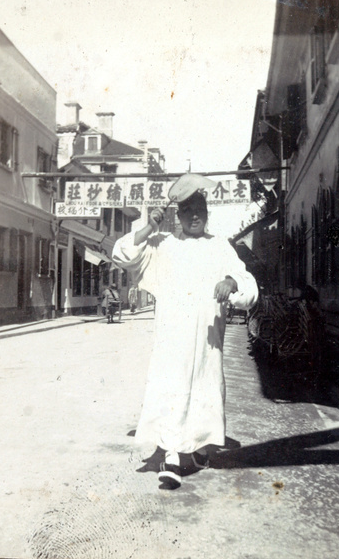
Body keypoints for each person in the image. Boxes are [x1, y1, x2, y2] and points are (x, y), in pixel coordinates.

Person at [112, 183, 258, 488]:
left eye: (200, 211)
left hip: (206, 341)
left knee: (203, 391)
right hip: (172, 336)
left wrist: (231, 281)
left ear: (207, 214)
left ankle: (195, 447)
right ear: (178, 215)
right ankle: (172, 456)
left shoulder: (219, 246)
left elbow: (246, 281)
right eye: (188, 212)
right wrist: (149, 226)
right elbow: (123, 254)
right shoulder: (164, 244)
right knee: (172, 390)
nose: (194, 217)